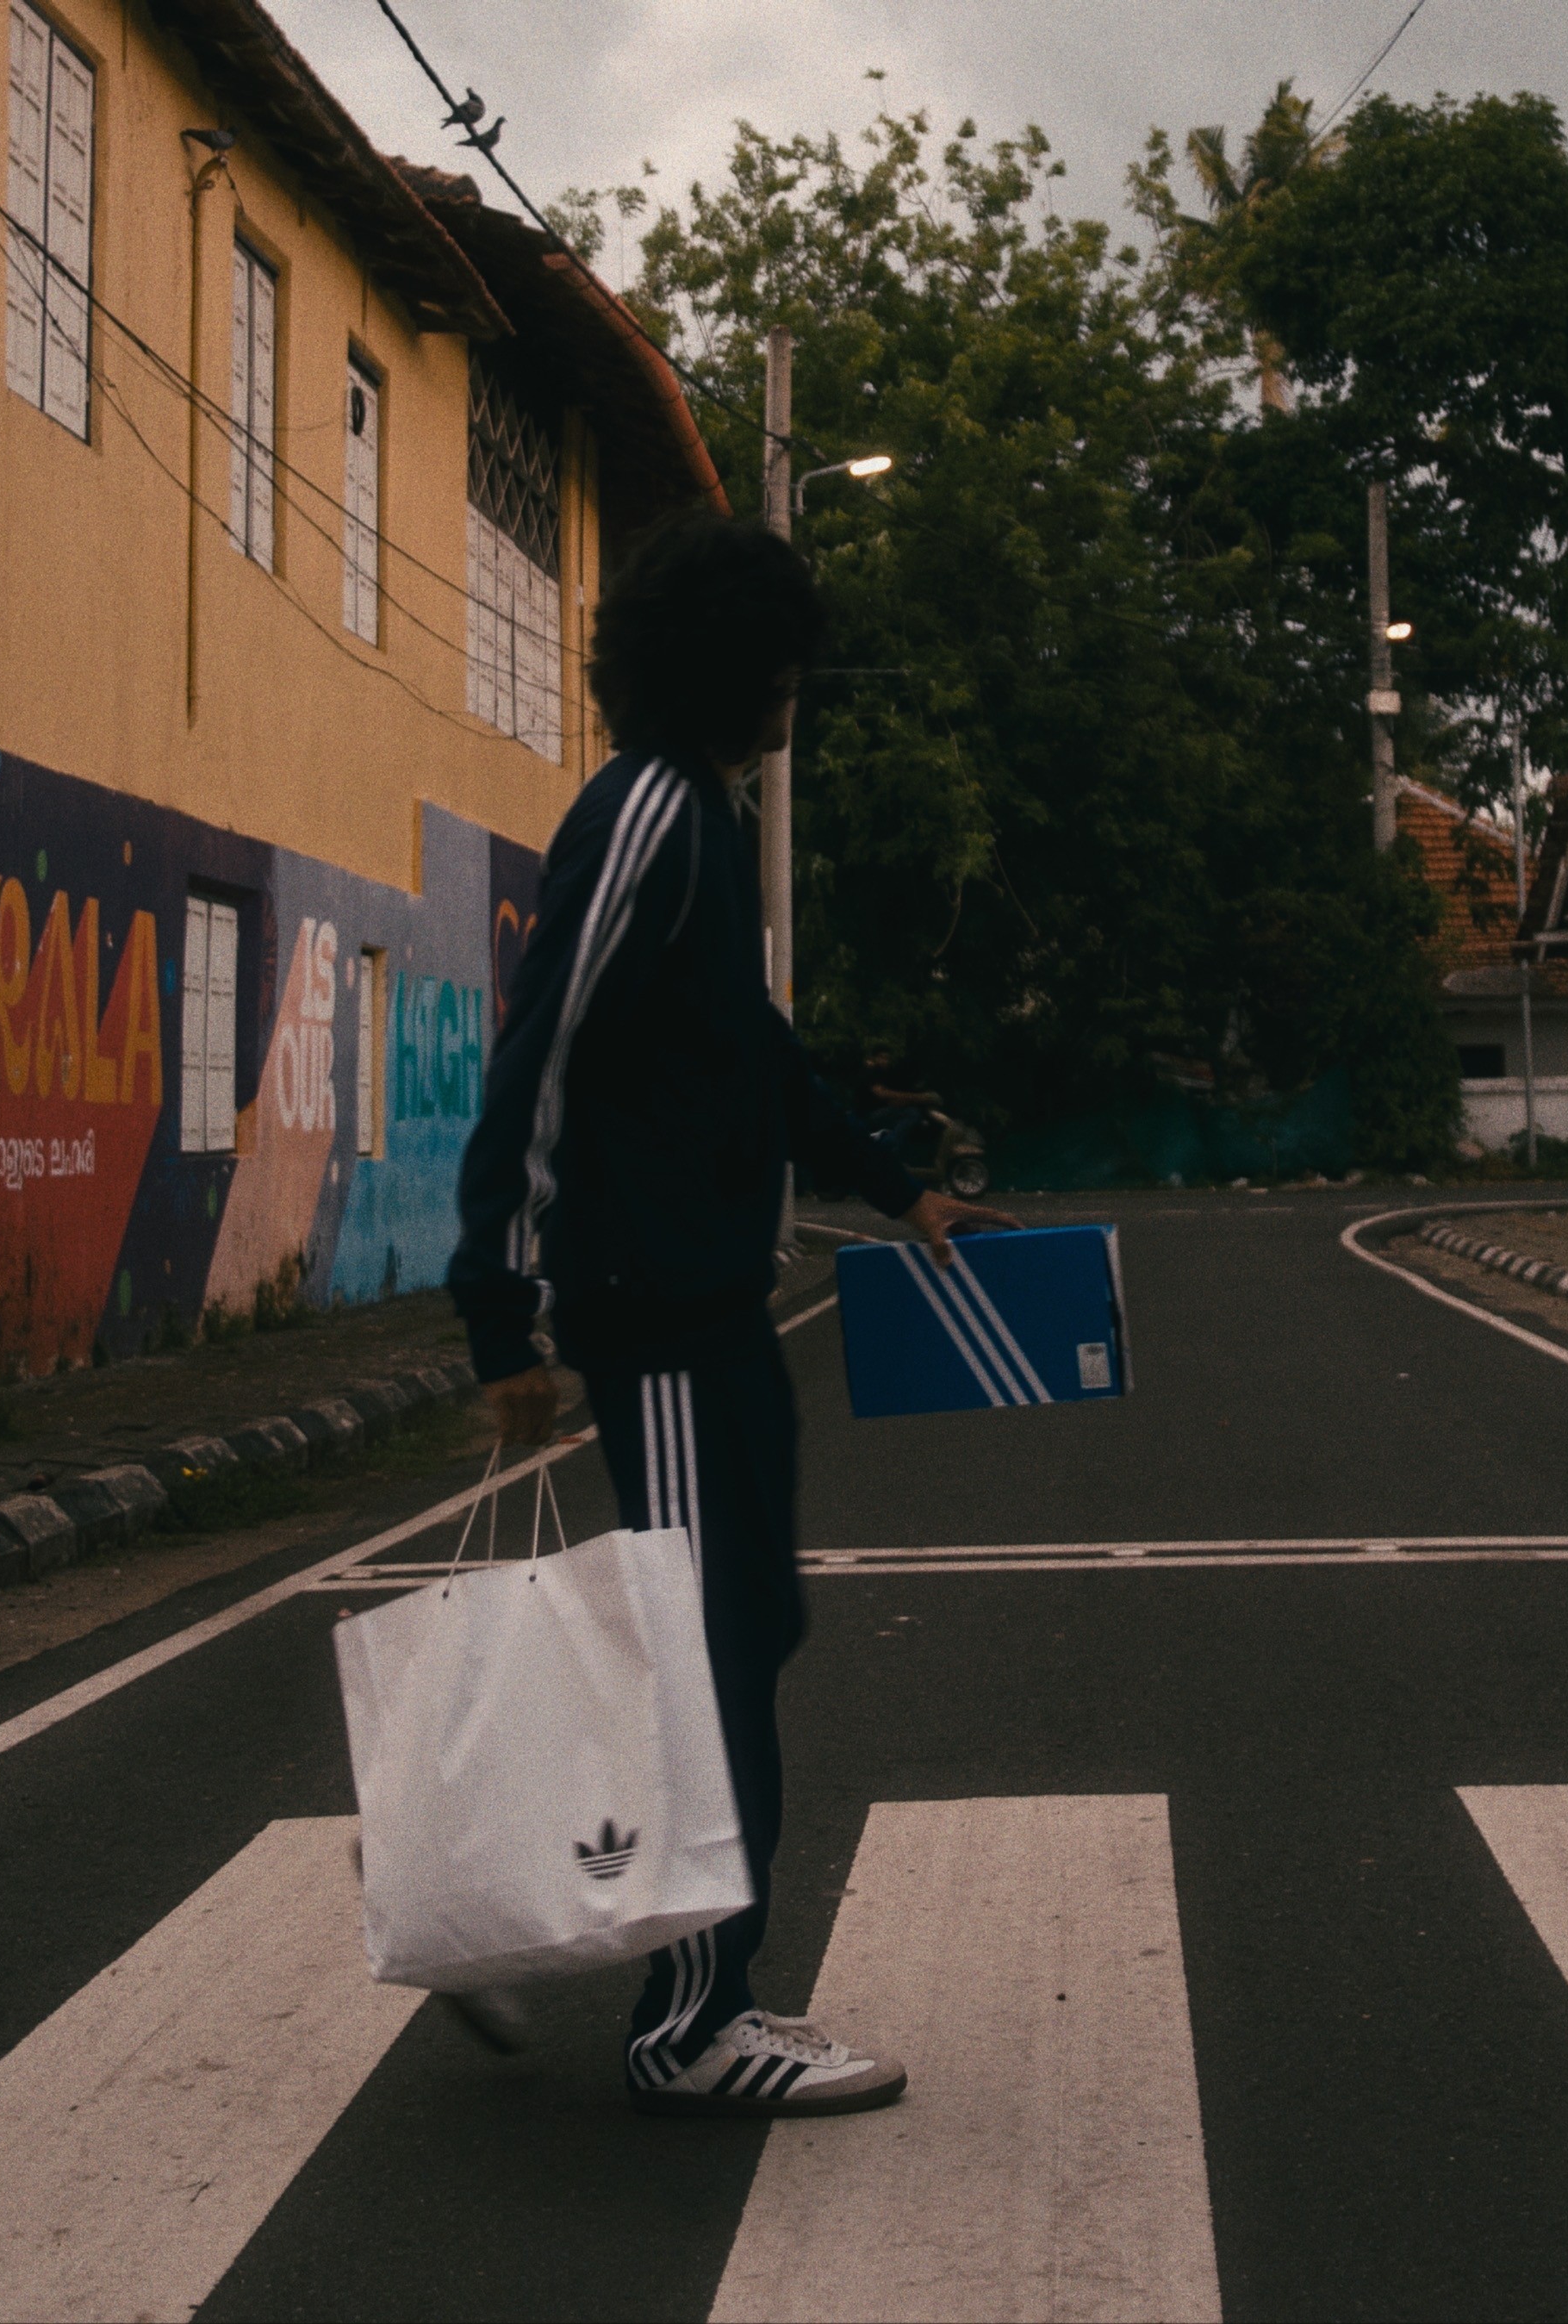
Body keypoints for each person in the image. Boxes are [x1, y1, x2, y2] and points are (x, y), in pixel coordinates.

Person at [448, 509, 1017, 2117]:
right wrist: (501, 1307)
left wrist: (896, 1186)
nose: (793, 693)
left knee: (740, 1628)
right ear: (730, 667)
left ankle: (499, 1867)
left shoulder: (693, 817)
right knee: (706, 1650)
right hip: (658, 1316)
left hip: (708, 1310)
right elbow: (542, 1048)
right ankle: (693, 2022)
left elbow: (753, 1056)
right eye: (781, 664)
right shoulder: (645, 811)